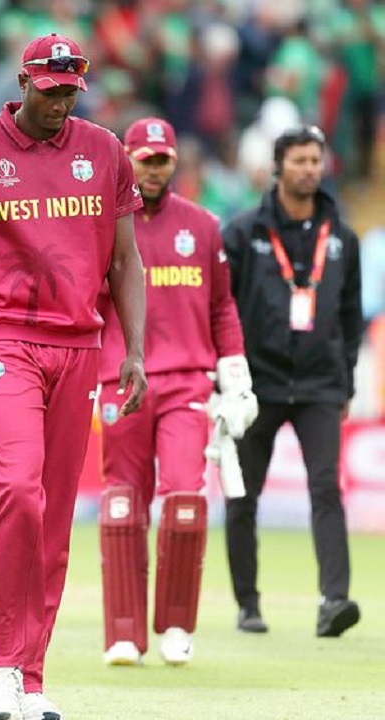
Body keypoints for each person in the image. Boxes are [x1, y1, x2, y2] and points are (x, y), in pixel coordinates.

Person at [0, 34, 147, 720]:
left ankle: (32, 677)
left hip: (79, 345)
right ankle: (0, 670)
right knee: (17, 490)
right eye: (49, 91)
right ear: (22, 83)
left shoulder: (105, 152)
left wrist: (135, 351)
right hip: (1, 337)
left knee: (53, 515)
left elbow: (125, 262)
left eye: (70, 92)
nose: (59, 104)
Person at [97, 117, 256, 668]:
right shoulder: (104, 224)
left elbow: (222, 307)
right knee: (123, 503)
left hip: (187, 380)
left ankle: (177, 626)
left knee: (186, 500)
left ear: (174, 162)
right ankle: (123, 633)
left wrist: (235, 372)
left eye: (162, 160)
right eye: (145, 159)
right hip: (121, 380)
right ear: (127, 159)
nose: (154, 169)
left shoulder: (203, 226)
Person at [222, 125, 363, 637]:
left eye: (315, 160)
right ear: (278, 166)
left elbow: (349, 316)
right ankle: (248, 604)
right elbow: (222, 308)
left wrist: (346, 382)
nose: (309, 169)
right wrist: (226, 378)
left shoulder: (342, 237)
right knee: (243, 495)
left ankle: (334, 602)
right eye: (299, 160)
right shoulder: (244, 233)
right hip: (256, 385)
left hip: (320, 385)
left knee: (327, 489)